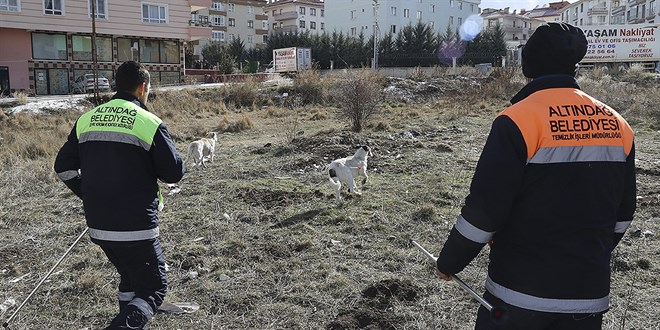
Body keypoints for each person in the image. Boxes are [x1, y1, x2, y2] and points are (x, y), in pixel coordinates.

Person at [435, 22, 636, 330]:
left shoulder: (516, 121)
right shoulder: (619, 125)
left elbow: (485, 211)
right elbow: (623, 214)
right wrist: (587, 253)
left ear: (527, 67)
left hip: (518, 297)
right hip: (587, 297)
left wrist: (450, 262)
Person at [54, 61, 185, 329]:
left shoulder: (87, 119)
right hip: (136, 226)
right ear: (142, 87)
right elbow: (173, 174)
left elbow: (63, 167)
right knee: (153, 290)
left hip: (99, 226)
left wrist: (89, 193)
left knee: (129, 278)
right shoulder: (149, 122)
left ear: (117, 85)